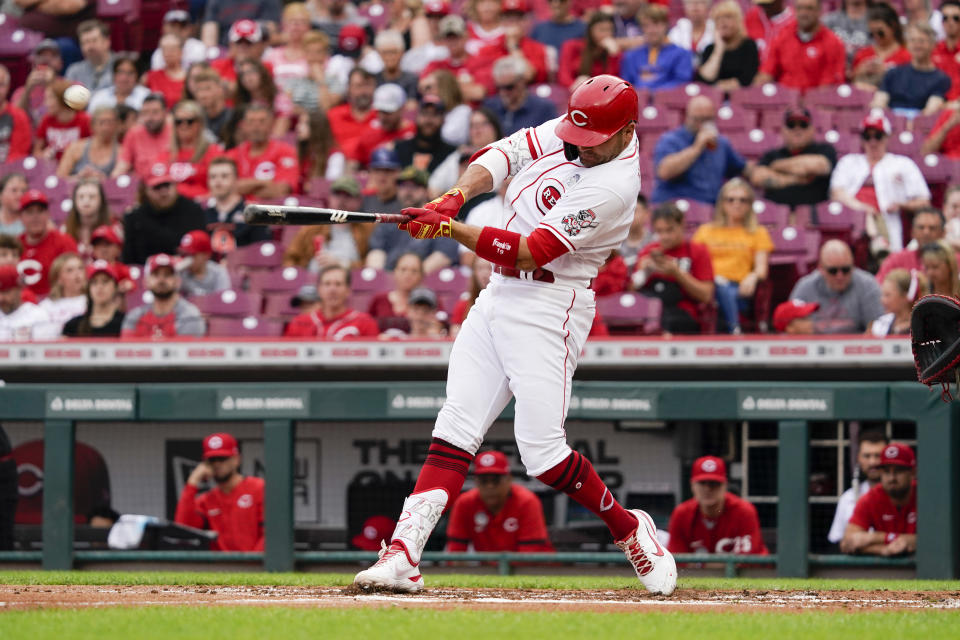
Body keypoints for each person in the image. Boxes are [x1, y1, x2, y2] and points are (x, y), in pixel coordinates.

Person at [352, 75, 677, 595]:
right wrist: (453, 198)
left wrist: (447, 229)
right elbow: (503, 155)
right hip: (497, 294)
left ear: (626, 132)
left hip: (552, 303)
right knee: (456, 423)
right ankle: (403, 554)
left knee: (543, 455)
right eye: (578, 134)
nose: (580, 147)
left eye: (594, 141)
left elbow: (531, 250)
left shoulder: (615, 186)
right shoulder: (579, 127)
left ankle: (629, 528)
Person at [830, 112, 931, 254]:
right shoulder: (849, 162)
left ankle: (879, 244)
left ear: (887, 137)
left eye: (877, 136)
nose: (873, 142)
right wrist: (863, 208)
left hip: (887, 221)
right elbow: (836, 193)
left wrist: (902, 205)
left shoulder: (902, 164)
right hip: (850, 220)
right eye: (867, 137)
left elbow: (924, 201)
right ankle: (877, 241)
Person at [693, 179, 773, 334]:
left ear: (750, 204)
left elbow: (761, 269)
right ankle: (734, 329)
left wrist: (752, 277)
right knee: (720, 285)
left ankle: (731, 329)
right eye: (731, 199)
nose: (737, 204)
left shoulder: (758, 232)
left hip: (740, 288)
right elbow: (694, 263)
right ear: (722, 203)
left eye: (743, 200)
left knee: (726, 289)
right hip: (708, 286)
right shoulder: (705, 231)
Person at [446, 450, 553, 553]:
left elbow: (530, 555)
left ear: (509, 479)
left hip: (539, 569)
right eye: (484, 480)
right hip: (489, 570)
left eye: (496, 480)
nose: (490, 486)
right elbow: (456, 552)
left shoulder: (526, 501)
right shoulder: (465, 503)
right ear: (476, 481)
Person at [633, 203, 714, 334]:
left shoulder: (698, 251)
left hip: (683, 314)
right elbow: (632, 290)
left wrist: (677, 273)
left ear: (681, 225)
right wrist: (644, 272)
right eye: (659, 231)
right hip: (652, 312)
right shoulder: (649, 251)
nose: (664, 236)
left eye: (669, 230)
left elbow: (706, 295)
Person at [175, 432, 264, 551]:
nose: (217, 464)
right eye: (212, 460)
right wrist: (192, 482)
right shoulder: (206, 500)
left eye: (222, 458)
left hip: (255, 566)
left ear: (237, 459)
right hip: (221, 567)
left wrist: (252, 564)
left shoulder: (259, 488)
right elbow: (183, 528)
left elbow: (272, 533)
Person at [652, 96, 748, 205]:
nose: (703, 124)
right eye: (698, 119)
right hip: (674, 206)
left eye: (708, 119)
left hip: (710, 209)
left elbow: (742, 168)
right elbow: (664, 172)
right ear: (687, 117)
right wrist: (697, 147)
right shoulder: (671, 140)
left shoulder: (721, 143)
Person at [366, 165, 460, 272]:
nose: (408, 191)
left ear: (426, 191)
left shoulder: (441, 221)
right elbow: (376, 252)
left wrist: (409, 277)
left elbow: (443, 256)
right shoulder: (389, 220)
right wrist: (380, 277)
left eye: (414, 186)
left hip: (426, 282)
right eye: (403, 186)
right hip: (389, 280)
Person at [667, 456, 768, 555]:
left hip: (744, 572)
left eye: (714, 483)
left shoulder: (743, 511)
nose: (707, 489)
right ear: (692, 485)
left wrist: (702, 564)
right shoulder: (682, 513)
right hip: (699, 572)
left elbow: (748, 560)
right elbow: (676, 560)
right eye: (702, 483)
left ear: (725, 485)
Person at [788, 239, 885, 333]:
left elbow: (879, 327)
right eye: (833, 271)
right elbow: (790, 325)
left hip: (855, 346)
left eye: (846, 269)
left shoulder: (867, 285)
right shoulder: (805, 287)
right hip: (815, 346)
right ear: (821, 268)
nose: (840, 276)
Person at [840, 442, 917, 556]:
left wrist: (873, 538)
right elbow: (847, 543)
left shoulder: (924, 495)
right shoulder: (871, 498)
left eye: (898, 471)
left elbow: (936, 540)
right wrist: (882, 549)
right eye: (886, 471)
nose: (892, 478)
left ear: (912, 473)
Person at [750, 107, 837, 207]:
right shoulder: (772, 154)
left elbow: (818, 166)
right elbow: (757, 177)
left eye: (803, 125)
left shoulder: (824, 149)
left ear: (812, 129)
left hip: (815, 215)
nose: (797, 129)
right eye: (791, 125)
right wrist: (796, 179)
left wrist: (776, 166)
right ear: (783, 130)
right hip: (775, 213)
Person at [754, 0, 845, 90]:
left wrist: (811, 101)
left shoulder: (832, 42)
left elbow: (829, 84)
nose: (804, 13)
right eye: (800, 8)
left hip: (817, 101)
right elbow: (767, 72)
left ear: (819, 11)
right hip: (785, 99)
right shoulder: (783, 37)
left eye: (809, 8)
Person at [122, 172, 206, 266]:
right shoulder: (135, 218)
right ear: (146, 191)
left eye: (167, 185)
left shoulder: (193, 211)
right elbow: (129, 260)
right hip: (146, 275)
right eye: (157, 187)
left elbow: (202, 252)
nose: (163, 192)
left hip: (187, 271)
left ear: (175, 186)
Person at [466, 0, 549, 94]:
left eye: (518, 18)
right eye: (508, 18)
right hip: (497, 98)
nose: (513, 22)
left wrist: (513, 46)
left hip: (528, 98)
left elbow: (527, 75)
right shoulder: (491, 48)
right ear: (502, 21)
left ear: (526, 21)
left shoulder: (537, 48)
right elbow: (474, 74)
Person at [871, 22, 950, 117]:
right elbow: (879, 102)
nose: (917, 45)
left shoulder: (941, 79)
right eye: (912, 41)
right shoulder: (893, 73)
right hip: (890, 123)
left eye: (921, 41)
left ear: (933, 45)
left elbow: (930, 111)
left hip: (920, 127)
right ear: (908, 44)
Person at [283, 265, 380, 339]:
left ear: (348, 290)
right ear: (319, 289)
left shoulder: (365, 322)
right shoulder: (299, 322)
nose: (332, 289)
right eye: (327, 284)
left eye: (338, 284)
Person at [226, 105, 300, 202]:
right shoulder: (233, 154)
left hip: (272, 211)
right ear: (244, 126)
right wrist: (264, 183)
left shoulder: (286, 152)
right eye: (251, 122)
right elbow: (225, 188)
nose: (256, 126)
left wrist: (243, 187)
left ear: (271, 124)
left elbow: (281, 190)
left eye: (262, 121)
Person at [122, 253, 207, 337]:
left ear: (178, 281)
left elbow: (184, 350)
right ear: (145, 282)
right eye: (156, 274)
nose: (161, 279)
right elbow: (127, 349)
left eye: (167, 274)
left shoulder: (190, 317)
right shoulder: (134, 317)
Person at [827, 430, 889, 545]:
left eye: (878, 456)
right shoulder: (848, 498)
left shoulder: (900, 495)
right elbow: (837, 540)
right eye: (867, 456)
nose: (872, 462)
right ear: (858, 458)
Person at [157, 100, 223, 200]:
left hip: (202, 205)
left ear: (200, 124)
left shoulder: (213, 151)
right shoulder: (165, 153)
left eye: (189, 121)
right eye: (178, 122)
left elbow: (222, 187)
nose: (184, 125)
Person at [18, 190, 78, 298]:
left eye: (40, 211)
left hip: (57, 303)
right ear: (21, 217)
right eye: (30, 212)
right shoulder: (14, 246)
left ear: (48, 214)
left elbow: (75, 279)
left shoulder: (64, 242)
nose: (35, 217)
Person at [619, 4, 694, 91]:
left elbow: (682, 83)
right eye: (646, 25)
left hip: (668, 100)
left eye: (656, 24)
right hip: (638, 101)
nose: (652, 30)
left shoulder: (682, 54)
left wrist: (652, 91)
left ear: (665, 25)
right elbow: (626, 86)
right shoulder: (631, 56)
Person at [204, 157, 271, 251]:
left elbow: (262, 251)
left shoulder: (253, 213)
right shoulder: (201, 213)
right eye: (213, 177)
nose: (217, 181)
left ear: (236, 180)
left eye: (224, 176)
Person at [696, 1, 760, 90]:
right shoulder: (709, 49)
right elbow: (705, 79)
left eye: (728, 17)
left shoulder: (748, 46)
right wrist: (719, 48)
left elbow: (747, 79)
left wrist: (719, 86)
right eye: (718, 18)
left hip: (743, 97)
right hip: (714, 99)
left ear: (738, 20)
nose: (723, 21)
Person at [350, 83, 415, 168]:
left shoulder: (414, 132)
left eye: (388, 112)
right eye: (379, 111)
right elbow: (353, 164)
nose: (382, 117)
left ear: (402, 109)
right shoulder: (369, 133)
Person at [111, 93, 172, 181]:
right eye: (145, 113)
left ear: (165, 112)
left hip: (170, 184)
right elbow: (122, 165)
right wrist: (109, 184)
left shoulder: (174, 132)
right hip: (143, 187)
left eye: (155, 112)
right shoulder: (134, 134)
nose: (150, 117)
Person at [875, 208, 946, 282]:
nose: (926, 233)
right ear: (912, 232)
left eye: (932, 228)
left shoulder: (954, 261)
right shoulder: (896, 260)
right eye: (921, 227)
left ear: (943, 233)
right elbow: (879, 287)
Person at [851, 4, 910, 91]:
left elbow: (910, 84)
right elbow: (851, 82)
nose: (876, 36)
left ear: (893, 26)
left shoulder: (906, 56)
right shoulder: (863, 53)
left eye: (880, 32)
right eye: (872, 33)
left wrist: (887, 72)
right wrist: (859, 71)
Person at [558, 12, 622, 91]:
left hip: (601, 95)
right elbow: (564, 76)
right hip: (574, 92)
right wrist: (578, 87)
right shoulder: (571, 47)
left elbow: (612, 83)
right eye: (602, 30)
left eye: (609, 30)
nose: (606, 34)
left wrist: (613, 57)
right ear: (590, 30)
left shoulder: (614, 53)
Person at [394, 96, 458, 174]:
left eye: (435, 114)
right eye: (424, 113)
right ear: (416, 117)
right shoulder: (399, 149)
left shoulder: (451, 155)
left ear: (443, 119)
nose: (429, 119)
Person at [34, 78, 92, 161]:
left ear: (63, 99)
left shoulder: (85, 120)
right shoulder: (46, 120)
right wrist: (43, 155)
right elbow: (37, 151)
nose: (45, 104)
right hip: (52, 167)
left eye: (50, 98)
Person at [62, 260, 124, 337]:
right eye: (94, 282)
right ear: (88, 288)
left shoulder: (125, 324)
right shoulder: (72, 326)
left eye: (105, 281)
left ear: (115, 287)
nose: (99, 287)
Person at [57, 106, 120, 180]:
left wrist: (103, 180)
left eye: (110, 123)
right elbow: (60, 178)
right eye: (102, 122)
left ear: (117, 125)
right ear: (92, 125)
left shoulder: (121, 151)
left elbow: (120, 183)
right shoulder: (76, 148)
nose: (106, 128)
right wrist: (79, 177)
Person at [327, 68, 377, 159]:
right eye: (358, 86)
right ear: (349, 88)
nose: (363, 91)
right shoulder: (333, 115)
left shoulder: (383, 116)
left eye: (368, 85)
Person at [368, 252, 425, 332]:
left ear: (421, 276)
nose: (408, 275)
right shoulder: (379, 300)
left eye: (414, 271)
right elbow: (368, 328)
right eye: (403, 269)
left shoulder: (429, 301)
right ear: (395, 272)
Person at [13, 39, 63, 127]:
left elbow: (69, 116)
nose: (46, 59)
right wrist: (28, 90)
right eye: (41, 55)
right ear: (33, 63)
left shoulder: (70, 86)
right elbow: (14, 120)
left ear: (60, 63)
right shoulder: (21, 92)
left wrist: (51, 85)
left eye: (52, 55)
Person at [0, 264, 55, 341]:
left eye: (6, 292)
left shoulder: (37, 316)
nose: (1, 298)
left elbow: (43, 350)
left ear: (19, 288)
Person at [62, 178, 113, 259]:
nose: (86, 201)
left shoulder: (113, 228)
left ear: (101, 200)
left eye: (92, 197)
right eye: (81, 197)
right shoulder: (65, 229)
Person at [39, 252, 87, 334]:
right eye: (70, 270)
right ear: (58, 279)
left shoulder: (91, 302)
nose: (77, 273)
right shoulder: (46, 306)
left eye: (80, 268)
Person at [869, 268, 927, 336]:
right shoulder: (880, 325)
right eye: (882, 295)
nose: (882, 300)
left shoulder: (924, 327)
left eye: (887, 295)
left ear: (906, 296)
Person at [202, 0, 281, 48]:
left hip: (256, 45)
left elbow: (271, 30)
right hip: (226, 48)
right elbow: (209, 35)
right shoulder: (216, 1)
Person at [64, 20, 114, 92]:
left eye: (94, 41)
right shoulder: (74, 71)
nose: (90, 47)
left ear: (107, 42)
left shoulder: (123, 65)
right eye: (85, 42)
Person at [177, 230, 231, 297]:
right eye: (184, 254)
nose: (187, 259)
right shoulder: (181, 273)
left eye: (192, 255)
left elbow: (222, 301)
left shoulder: (218, 272)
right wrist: (173, 271)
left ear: (206, 255)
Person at [144, 35, 188, 112]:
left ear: (181, 52)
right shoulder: (151, 76)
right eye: (165, 49)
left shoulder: (189, 77)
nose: (168, 53)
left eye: (172, 49)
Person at [371, 30, 418, 100]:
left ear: (402, 52)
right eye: (385, 52)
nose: (389, 57)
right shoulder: (373, 80)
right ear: (379, 54)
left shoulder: (411, 80)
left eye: (393, 52)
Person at [0, 66, 33, 163]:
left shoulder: (19, 116)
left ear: (8, 86)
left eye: (1, 85)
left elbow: (18, 154)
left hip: (8, 173)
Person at [668, 0, 715, 65]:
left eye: (700, 2)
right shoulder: (676, 32)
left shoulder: (716, 31)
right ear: (685, 7)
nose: (695, 7)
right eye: (690, 3)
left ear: (708, 7)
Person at [619, 194, 653, 272]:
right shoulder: (615, 244)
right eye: (627, 212)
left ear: (647, 214)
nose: (630, 216)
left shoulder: (655, 242)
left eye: (634, 211)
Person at [933, 0, 960, 100]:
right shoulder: (933, 50)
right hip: (937, 103)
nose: (950, 22)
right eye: (945, 18)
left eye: (956, 18)